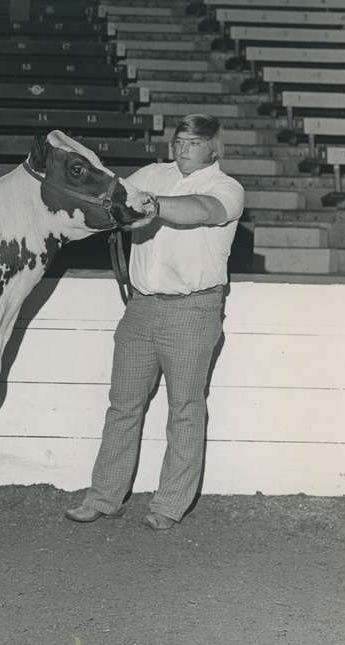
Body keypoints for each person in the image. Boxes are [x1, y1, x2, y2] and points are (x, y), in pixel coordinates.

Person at [65, 113, 245, 531]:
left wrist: (155, 205)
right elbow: (114, 197)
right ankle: (105, 496)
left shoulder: (225, 187)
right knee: (122, 405)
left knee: (184, 407)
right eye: (180, 140)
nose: (184, 148)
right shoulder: (151, 174)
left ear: (214, 148)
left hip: (193, 309)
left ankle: (170, 504)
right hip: (141, 306)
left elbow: (201, 210)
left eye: (195, 143)